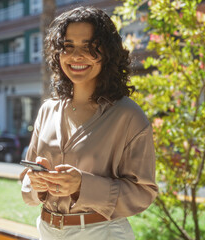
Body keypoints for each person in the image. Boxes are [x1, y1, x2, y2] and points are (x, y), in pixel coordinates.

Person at [20, 6, 158, 240]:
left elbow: (143, 192)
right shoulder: (47, 110)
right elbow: (27, 180)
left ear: (108, 53)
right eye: (68, 46)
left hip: (100, 232)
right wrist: (36, 183)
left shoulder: (128, 115)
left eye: (89, 47)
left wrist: (83, 185)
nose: (76, 56)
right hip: (46, 230)